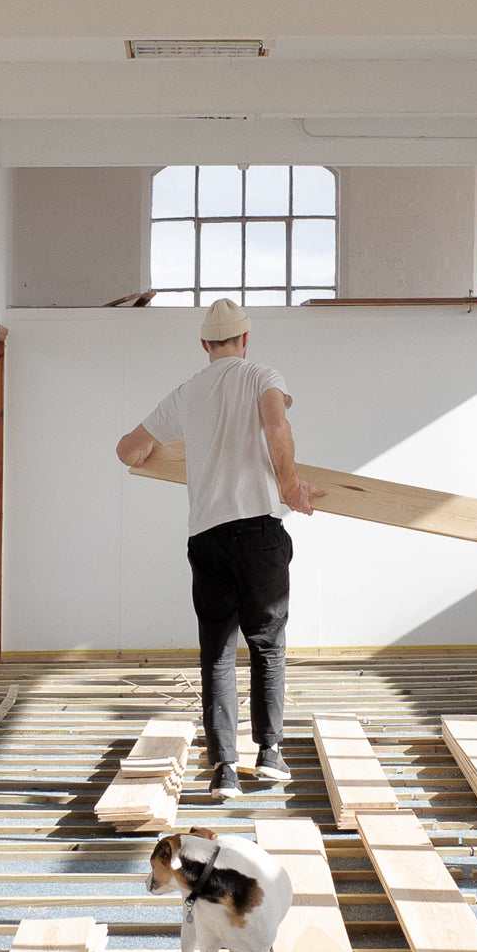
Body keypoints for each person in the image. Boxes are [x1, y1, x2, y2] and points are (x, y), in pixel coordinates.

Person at [116, 298, 322, 800]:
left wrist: (155, 453)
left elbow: (127, 449)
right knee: (267, 645)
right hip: (257, 533)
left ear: (205, 344)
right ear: (245, 339)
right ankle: (269, 755)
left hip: (205, 537)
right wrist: (291, 484)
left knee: (217, 655)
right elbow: (277, 427)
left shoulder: (187, 393)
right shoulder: (261, 375)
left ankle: (224, 770)